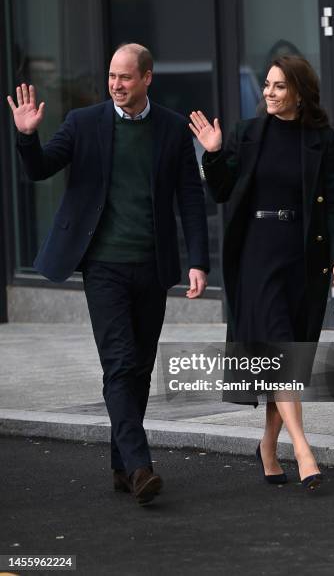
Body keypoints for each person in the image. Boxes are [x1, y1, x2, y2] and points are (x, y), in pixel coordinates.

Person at [8, 43, 209, 504]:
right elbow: (40, 169)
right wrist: (26, 136)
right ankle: (141, 467)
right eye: (111, 77)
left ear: (147, 79)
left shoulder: (173, 129)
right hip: (103, 266)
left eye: (125, 77)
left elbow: (190, 199)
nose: (116, 85)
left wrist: (198, 260)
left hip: (152, 267)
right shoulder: (84, 123)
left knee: (137, 367)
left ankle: (121, 464)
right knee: (119, 362)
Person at [189, 54, 334, 490]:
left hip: (305, 257)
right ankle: (303, 451)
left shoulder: (320, 138)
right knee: (281, 348)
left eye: (279, 86)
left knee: (289, 359)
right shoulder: (248, 133)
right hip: (258, 254)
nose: (268, 92)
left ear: (299, 91)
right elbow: (222, 191)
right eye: (266, 85)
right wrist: (214, 153)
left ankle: (267, 444)